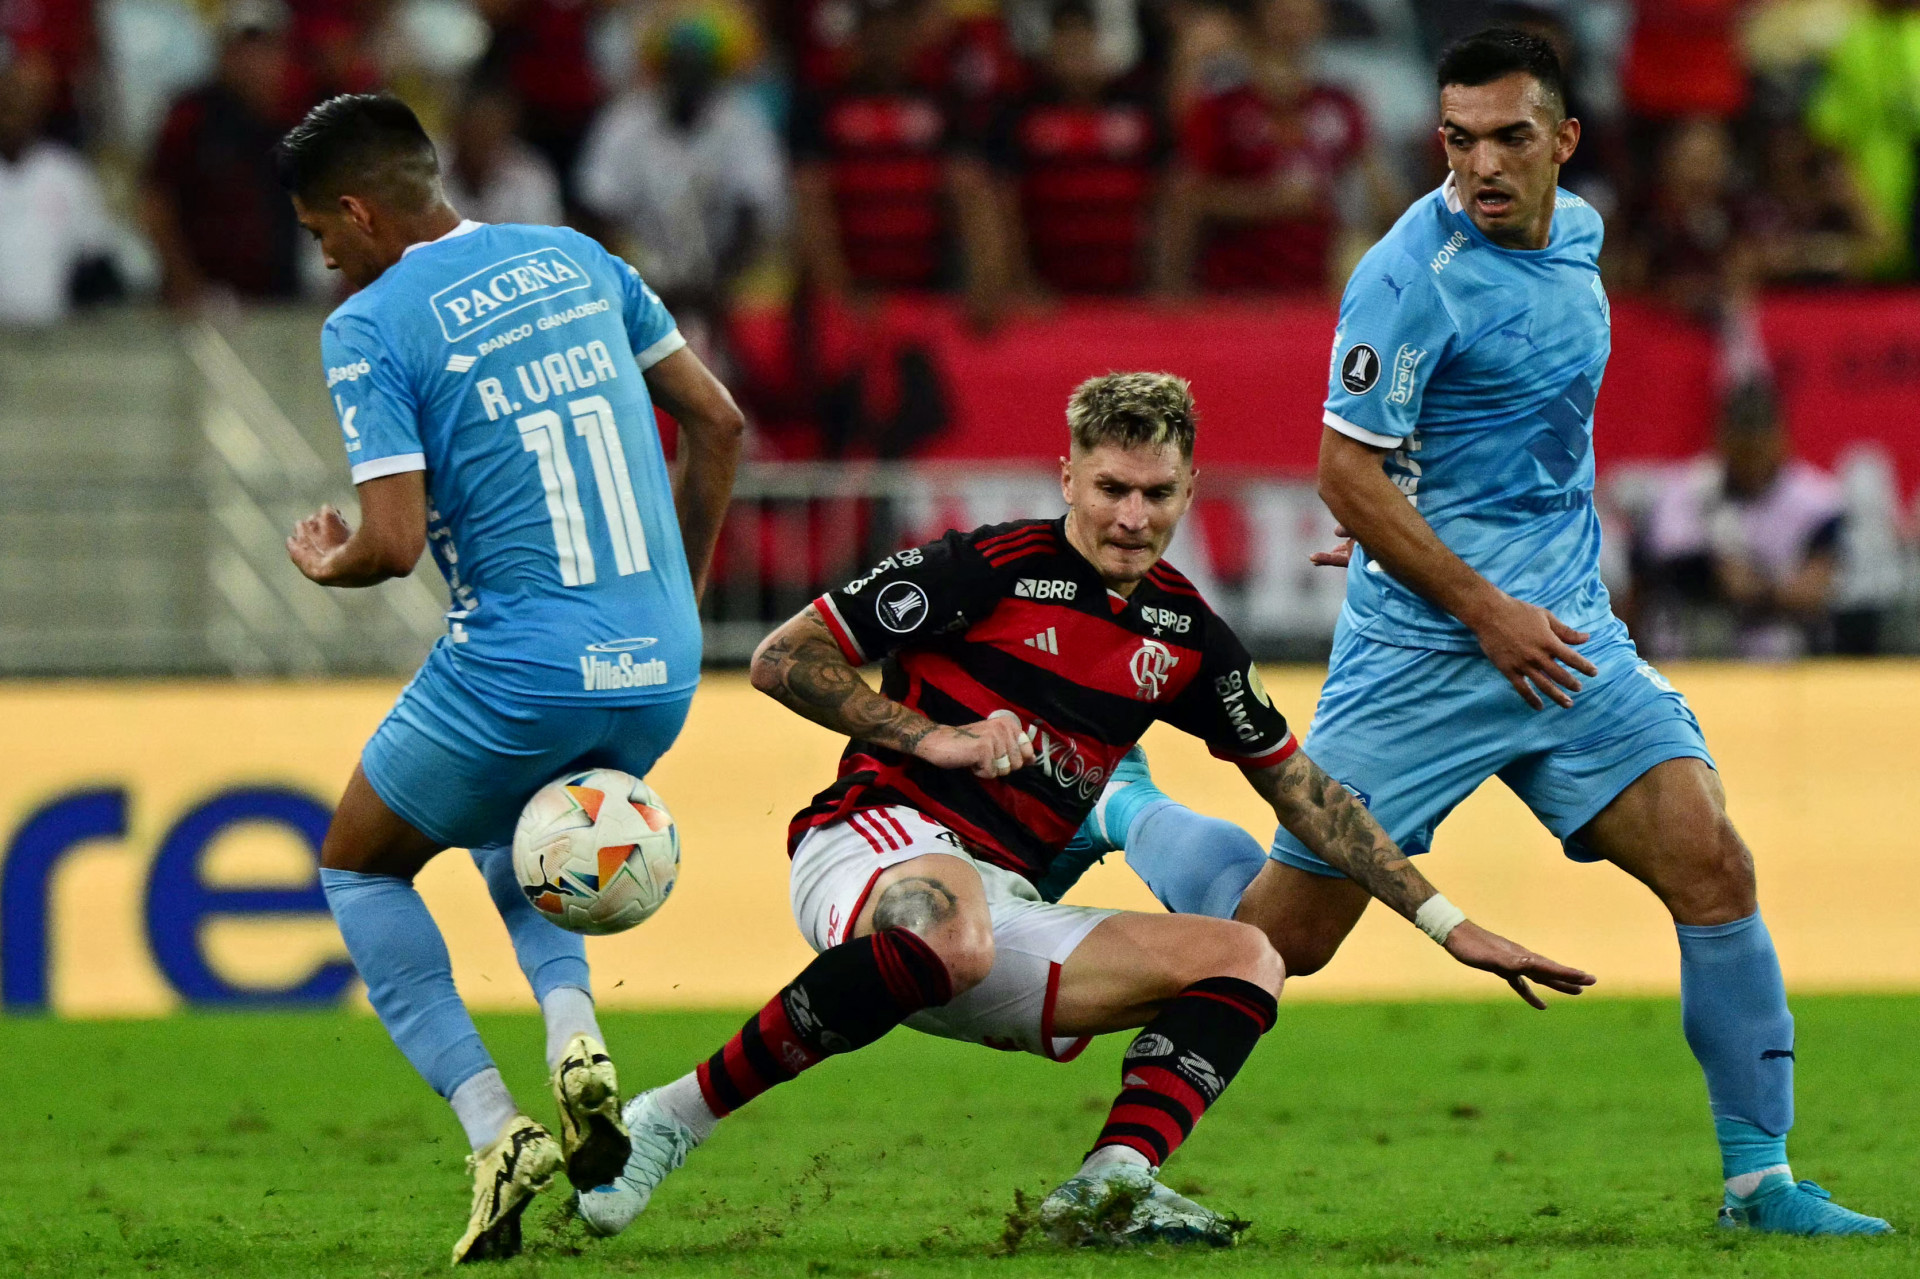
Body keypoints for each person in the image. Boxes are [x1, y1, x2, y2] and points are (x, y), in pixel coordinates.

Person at [1063, 29, 1894, 1237]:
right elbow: (1343, 472)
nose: (1482, 165)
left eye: (1510, 138)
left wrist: (1438, 530)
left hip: (1566, 639)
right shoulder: (1410, 274)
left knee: (1712, 861)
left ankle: (1759, 1184)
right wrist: (1474, 598)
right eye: (1459, 140)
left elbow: (1493, 436)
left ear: (1565, 140)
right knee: (1274, 943)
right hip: (1424, 660)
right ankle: (1124, 820)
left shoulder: (1584, 237)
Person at [576, 371, 1593, 1247]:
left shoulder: (1186, 635)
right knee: (952, 927)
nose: (1131, 517)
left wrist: (1445, 922)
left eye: (1156, 493)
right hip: (876, 842)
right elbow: (780, 656)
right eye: (1110, 488)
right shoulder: (981, 567)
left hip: (997, 907)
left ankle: (1109, 1184)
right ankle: (670, 1118)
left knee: (1249, 957)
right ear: (1068, 478)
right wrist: (931, 738)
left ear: (1191, 489)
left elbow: (1307, 791)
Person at [272, 93, 746, 1263]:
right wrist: (678, 597)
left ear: (358, 211)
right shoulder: (578, 257)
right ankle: (576, 1036)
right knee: (510, 829)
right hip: (662, 663)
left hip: (523, 664)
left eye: (321, 232)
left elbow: (392, 542)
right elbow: (721, 424)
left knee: (358, 864)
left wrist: (330, 561)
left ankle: (496, 1129)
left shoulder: (368, 323)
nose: (322, 258)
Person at [1640, 382, 1847, 661]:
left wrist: (1757, 588)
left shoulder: (1817, 500)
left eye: (1759, 448)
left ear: (1781, 438)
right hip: (1690, 648)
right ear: (1722, 439)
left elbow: (1812, 592)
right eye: (1743, 449)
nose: (1751, 463)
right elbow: (1664, 561)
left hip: (1782, 653)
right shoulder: (1687, 490)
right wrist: (1716, 572)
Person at [142, 0, 307, 309]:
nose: (254, 62)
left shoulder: (295, 119)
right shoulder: (191, 116)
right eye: (244, 49)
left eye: (266, 49)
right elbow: (156, 202)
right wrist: (184, 282)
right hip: (205, 300)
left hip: (280, 297)